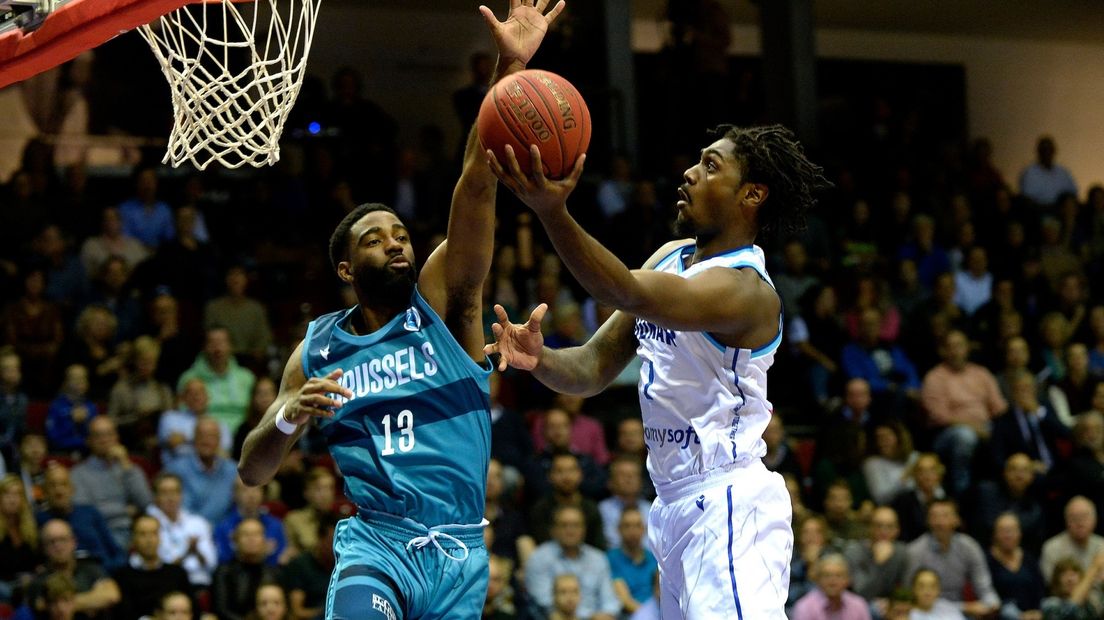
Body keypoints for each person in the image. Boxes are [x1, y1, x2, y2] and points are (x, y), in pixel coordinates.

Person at [237, 3, 565, 619]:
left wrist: (509, 67)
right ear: (345, 270)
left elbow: (475, 180)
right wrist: (286, 417)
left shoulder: (445, 307)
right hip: (378, 545)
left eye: (399, 234)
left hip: (462, 552)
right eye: (374, 238)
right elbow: (254, 471)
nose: (395, 242)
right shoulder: (318, 350)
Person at [486, 123, 831, 618]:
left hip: (728, 503)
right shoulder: (671, 257)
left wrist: (552, 211)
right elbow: (590, 368)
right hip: (671, 506)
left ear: (752, 194)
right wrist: (539, 359)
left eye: (711, 165)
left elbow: (624, 290)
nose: (689, 173)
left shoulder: (746, 291)